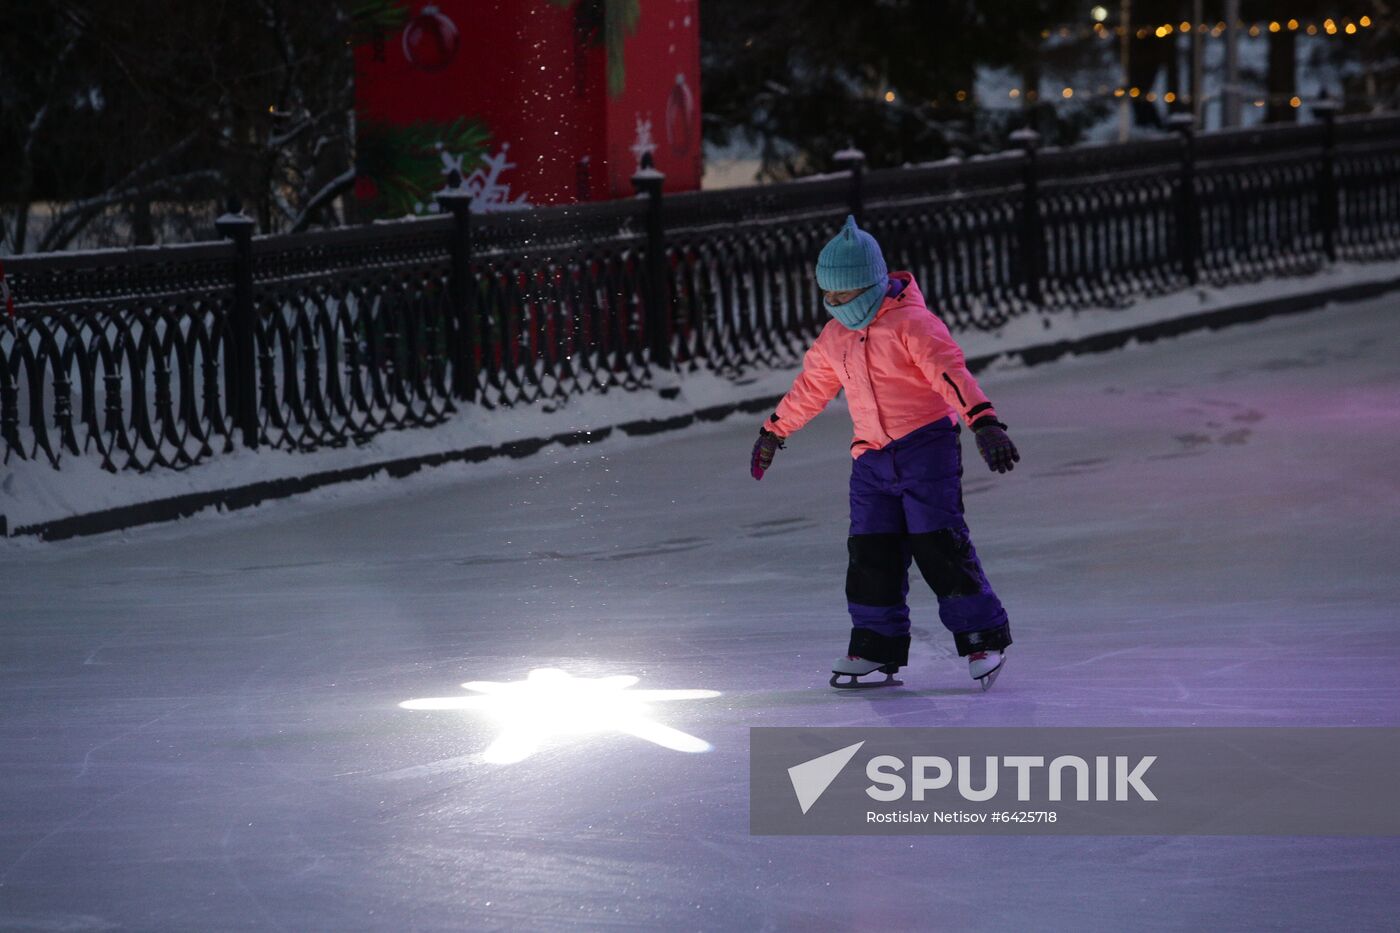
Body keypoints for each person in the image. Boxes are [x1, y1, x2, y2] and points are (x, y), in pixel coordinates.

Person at [749, 215, 1020, 691]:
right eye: (828, 297)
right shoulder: (836, 337)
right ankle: (875, 644)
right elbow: (811, 388)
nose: (834, 305)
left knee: (939, 546)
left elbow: (949, 373)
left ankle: (982, 636)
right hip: (870, 459)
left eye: (843, 295)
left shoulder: (912, 324)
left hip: (926, 448)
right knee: (871, 553)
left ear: (870, 285)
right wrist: (775, 431)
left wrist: (984, 421)